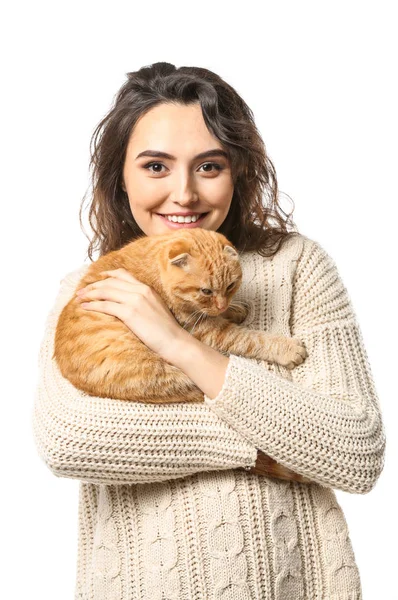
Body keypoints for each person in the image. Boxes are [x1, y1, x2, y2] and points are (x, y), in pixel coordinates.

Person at [32, 62, 386, 600]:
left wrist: (178, 345)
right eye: (155, 166)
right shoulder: (92, 288)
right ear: (118, 176)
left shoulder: (296, 266)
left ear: (238, 171)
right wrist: (275, 449)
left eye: (209, 166)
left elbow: (355, 451)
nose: (184, 194)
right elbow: (72, 442)